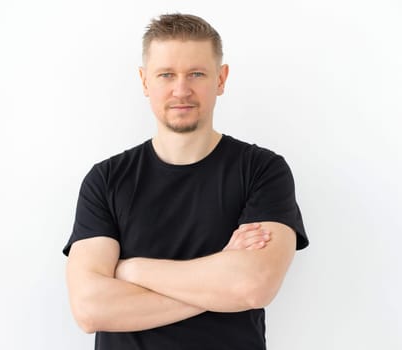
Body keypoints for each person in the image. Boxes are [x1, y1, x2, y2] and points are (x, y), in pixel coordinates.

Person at [62, 13, 309, 350]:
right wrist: (220, 285)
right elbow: (90, 309)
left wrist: (132, 270)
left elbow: (253, 286)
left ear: (221, 79)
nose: (181, 89)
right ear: (145, 81)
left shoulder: (262, 170)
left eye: (196, 73)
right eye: (166, 75)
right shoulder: (105, 180)